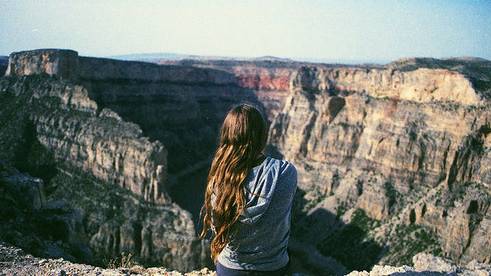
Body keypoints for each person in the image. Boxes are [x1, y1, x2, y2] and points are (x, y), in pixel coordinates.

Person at [199, 103, 298, 276]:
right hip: (274, 269)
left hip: (230, 269)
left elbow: (217, 226)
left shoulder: (218, 178)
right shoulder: (285, 172)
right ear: (262, 135)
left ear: (227, 136)